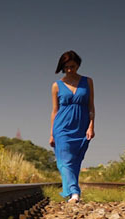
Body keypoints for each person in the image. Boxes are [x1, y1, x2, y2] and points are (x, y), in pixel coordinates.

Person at [49, 50, 95, 203]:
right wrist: (51, 134)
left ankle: (70, 192)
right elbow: (55, 111)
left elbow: (91, 106)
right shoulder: (56, 85)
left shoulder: (88, 82)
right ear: (62, 67)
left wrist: (91, 126)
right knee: (65, 160)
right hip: (61, 127)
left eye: (73, 66)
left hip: (81, 126)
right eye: (66, 67)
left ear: (78, 65)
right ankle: (75, 193)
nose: (70, 70)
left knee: (75, 160)